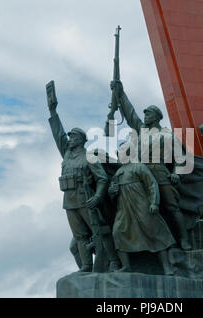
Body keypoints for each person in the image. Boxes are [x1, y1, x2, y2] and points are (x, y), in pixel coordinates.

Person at [109, 80, 191, 250]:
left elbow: (181, 157)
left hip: (159, 171)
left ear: (156, 117)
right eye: (144, 114)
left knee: (171, 206)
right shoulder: (141, 130)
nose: (144, 117)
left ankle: (184, 239)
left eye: (148, 114)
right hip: (139, 172)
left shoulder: (166, 134)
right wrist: (120, 92)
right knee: (143, 209)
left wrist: (176, 172)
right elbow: (130, 113)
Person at [48, 97, 119, 272]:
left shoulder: (89, 156)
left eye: (73, 137)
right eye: (69, 137)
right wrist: (53, 112)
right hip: (69, 201)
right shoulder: (67, 154)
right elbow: (58, 134)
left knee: (101, 232)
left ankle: (114, 261)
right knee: (80, 236)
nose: (69, 139)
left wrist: (97, 197)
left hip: (85, 199)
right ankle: (87, 266)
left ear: (81, 140)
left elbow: (102, 178)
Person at [108, 142, 175, 275]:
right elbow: (112, 192)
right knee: (118, 232)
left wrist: (154, 202)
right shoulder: (118, 172)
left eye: (121, 152)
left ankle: (166, 266)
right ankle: (126, 266)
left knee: (154, 231)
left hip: (141, 205)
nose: (119, 155)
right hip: (124, 208)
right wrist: (112, 191)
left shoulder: (138, 167)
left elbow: (151, 184)